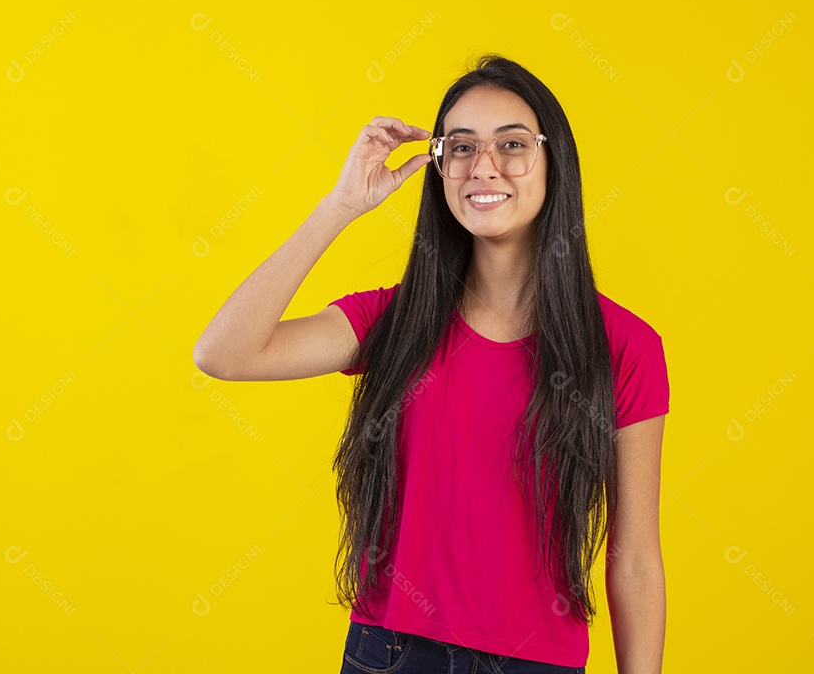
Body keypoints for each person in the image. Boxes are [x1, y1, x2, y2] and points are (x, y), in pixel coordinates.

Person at [193, 54, 669, 674]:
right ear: (439, 167)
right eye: (462, 147)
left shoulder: (624, 345)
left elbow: (633, 557)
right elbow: (224, 354)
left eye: (513, 144)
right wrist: (340, 205)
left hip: (537, 663)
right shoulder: (396, 320)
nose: (485, 166)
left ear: (555, 163)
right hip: (389, 652)